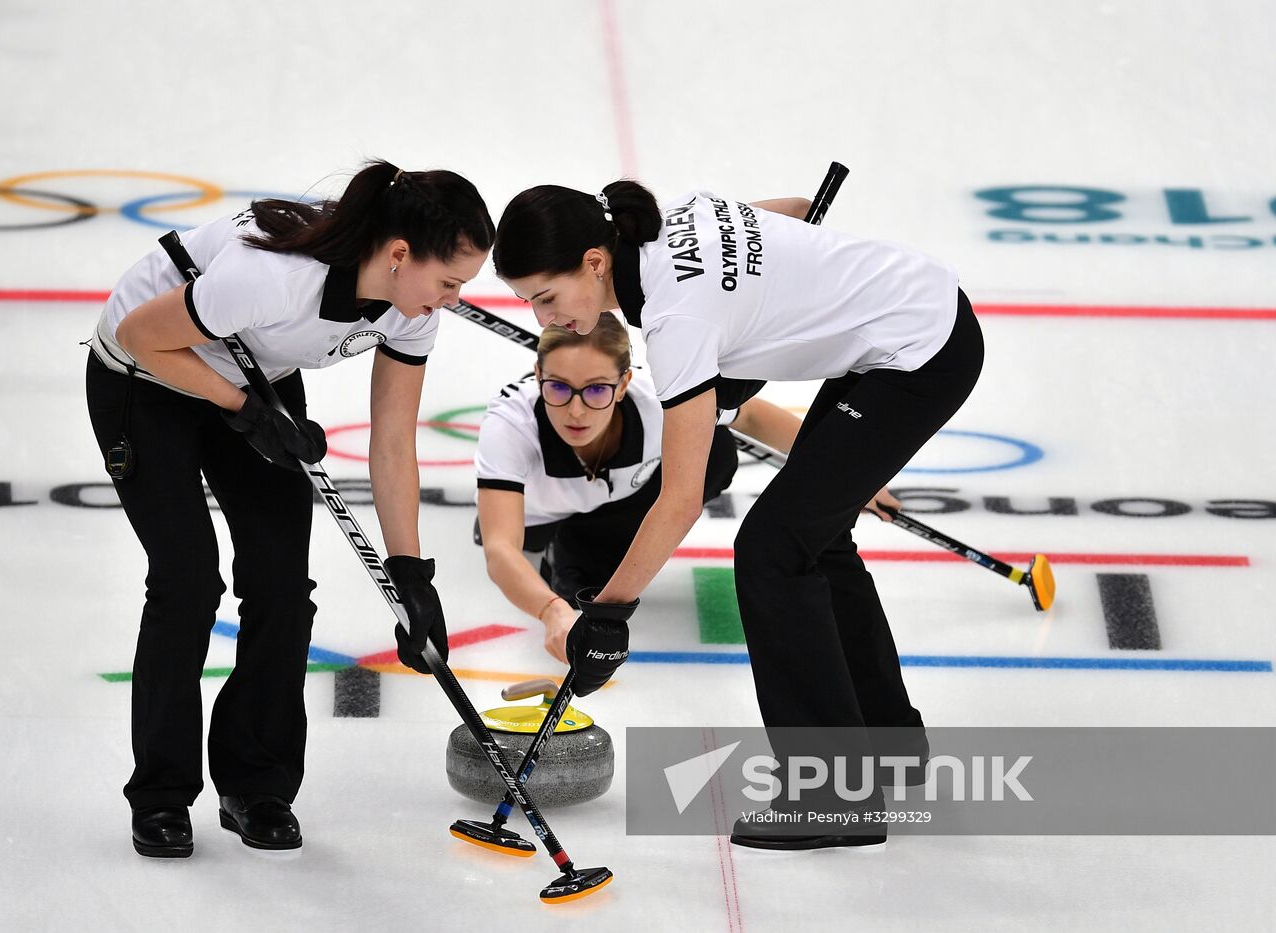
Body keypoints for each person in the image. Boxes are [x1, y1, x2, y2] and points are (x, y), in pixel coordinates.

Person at [491, 181, 982, 850]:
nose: (546, 318)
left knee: (773, 548)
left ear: (596, 262)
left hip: (921, 352)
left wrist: (608, 611)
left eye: (546, 297)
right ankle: (887, 741)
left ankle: (832, 794)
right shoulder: (675, 215)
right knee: (814, 536)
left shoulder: (675, 320)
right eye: (530, 303)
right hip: (911, 315)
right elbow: (792, 213)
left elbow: (682, 495)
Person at [85, 160, 493, 859]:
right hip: (147, 378)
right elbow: (137, 335)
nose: (453, 300)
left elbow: (392, 442)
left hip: (254, 381)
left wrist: (410, 574)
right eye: (449, 282)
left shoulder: (409, 309)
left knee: (281, 584)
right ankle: (161, 791)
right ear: (399, 255)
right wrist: (242, 409)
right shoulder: (274, 278)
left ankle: (257, 783)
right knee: (187, 580)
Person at [474, 314, 805, 662]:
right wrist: (551, 611)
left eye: (597, 389)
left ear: (623, 384)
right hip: (539, 513)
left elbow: (750, 416)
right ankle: (563, 549)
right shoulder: (511, 422)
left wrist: (850, 474)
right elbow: (501, 548)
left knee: (715, 449)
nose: (576, 411)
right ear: (538, 374)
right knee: (574, 596)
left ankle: (582, 548)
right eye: (558, 387)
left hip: (616, 503)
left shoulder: (657, 402)